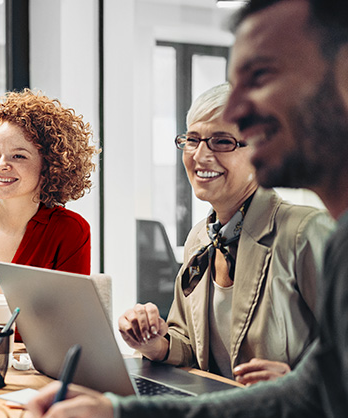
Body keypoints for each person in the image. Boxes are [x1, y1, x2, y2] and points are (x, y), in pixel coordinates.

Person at [25, 0, 348, 418]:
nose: (239, 110)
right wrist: (116, 416)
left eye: (260, 76)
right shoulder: (331, 242)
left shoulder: (314, 235)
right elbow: (302, 405)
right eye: (193, 138)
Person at [118, 83, 332, 385]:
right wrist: (154, 343)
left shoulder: (305, 232)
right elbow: (192, 347)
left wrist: (298, 382)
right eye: (192, 140)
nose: (200, 156)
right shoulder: (200, 239)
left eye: (222, 142)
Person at [0, 89, 98, 345]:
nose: (1, 164)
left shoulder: (70, 231)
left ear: (49, 165)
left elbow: (67, 326)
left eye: (18, 156)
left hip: (37, 373)